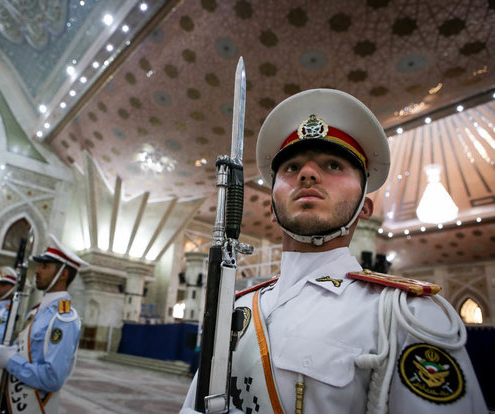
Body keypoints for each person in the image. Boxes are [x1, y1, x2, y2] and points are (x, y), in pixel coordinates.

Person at [181, 89, 488, 413]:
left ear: (364, 208)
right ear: (272, 206)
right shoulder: (237, 307)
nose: (308, 174)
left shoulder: (405, 317)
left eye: (333, 165)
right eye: (291, 167)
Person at [0, 234, 86, 413]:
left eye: (45, 266)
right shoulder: (37, 311)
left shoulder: (64, 318)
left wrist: (11, 361)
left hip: (30, 405)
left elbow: (52, 378)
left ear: (63, 274)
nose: (37, 271)